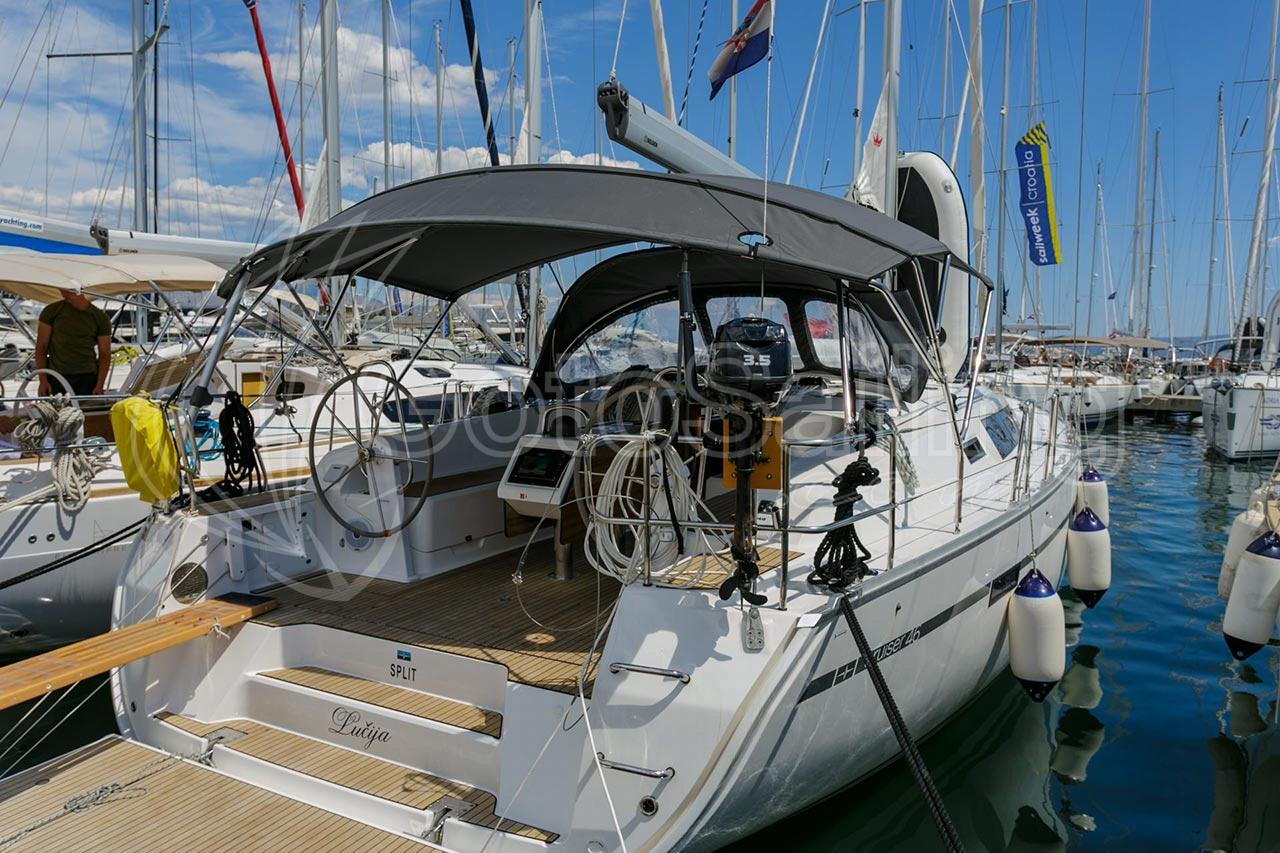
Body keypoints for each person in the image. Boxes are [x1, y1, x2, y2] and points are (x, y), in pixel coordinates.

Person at [34, 288, 111, 396]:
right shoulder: (52, 311)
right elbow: (41, 347)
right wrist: (43, 380)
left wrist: (100, 385)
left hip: (87, 377)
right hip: (56, 376)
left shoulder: (100, 318)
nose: (63, 294)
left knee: (85, 407)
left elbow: (105, 353)